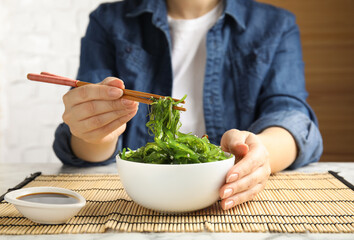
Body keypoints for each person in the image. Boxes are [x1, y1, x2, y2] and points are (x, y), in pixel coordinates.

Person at [53, 0, 323, 210]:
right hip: (138, 193)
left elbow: (292, 116)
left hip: (226, 196)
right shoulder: (108, 21)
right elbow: (84, 145)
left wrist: (259, 152)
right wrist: (95, 130)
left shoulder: (276, 24)